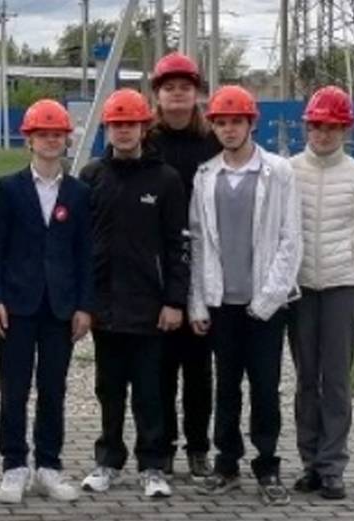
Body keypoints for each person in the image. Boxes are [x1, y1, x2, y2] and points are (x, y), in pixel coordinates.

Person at [190, 85, 302, 506]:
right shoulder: (206, 176)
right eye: (221, 123)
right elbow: (198, 242)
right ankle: (226, 464)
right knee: (226, 388)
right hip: (223, 303)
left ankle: (268, 465)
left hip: (264, 306)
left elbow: (290, 239)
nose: (229, 129)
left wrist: (269, 298)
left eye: (237, 122)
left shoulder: (278, 172)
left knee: (266, 387)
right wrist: (198, 302)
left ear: (251, 124)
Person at [78, 88, 187, 499]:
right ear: (107, 129)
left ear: (144, 127)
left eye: (131, 124)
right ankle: (108, 460)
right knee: (109, 389)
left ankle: (153, 465)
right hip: (105, 305)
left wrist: (174, 300)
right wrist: (84, 301)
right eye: (116, 125)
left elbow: (179, 245)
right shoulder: (92, 177)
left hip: (150, 306)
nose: (123, 132)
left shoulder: (166, 180)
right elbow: (79, 245)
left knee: (149, 391)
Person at [0, 99, 94, 504]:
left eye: (57, 135)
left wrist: (84, 306)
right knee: (14, 389)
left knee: (53, 389)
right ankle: (14, 465)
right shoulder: (10, 188)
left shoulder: (79, 193)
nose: (50, 141)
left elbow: (86, 254)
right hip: (17, 305)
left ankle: (49, 465)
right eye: (42, 135)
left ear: (67, 140)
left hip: (60, 307)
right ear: (28, 140)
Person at [289, 86, 354, 500]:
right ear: (306, 128)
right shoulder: (289, 171)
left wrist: (352, 266)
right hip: (301, 287)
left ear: (346, 130)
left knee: (337, 379)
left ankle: (333, 466)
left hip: (342, 286)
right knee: (306, 377)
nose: (323, 135)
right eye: (316, 127)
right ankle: (309, 462)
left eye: (332, 127)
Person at [146, 53, 221, 478]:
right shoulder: (146, 140)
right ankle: (161, 447)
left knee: (198, 367)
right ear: (157, 95)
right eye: (169, 88)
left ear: (197, 94)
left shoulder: (212, 141)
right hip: (156, 266)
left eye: (185, 88)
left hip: (203, 264)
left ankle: (198, 447)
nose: (177, 94)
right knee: (160, 367)